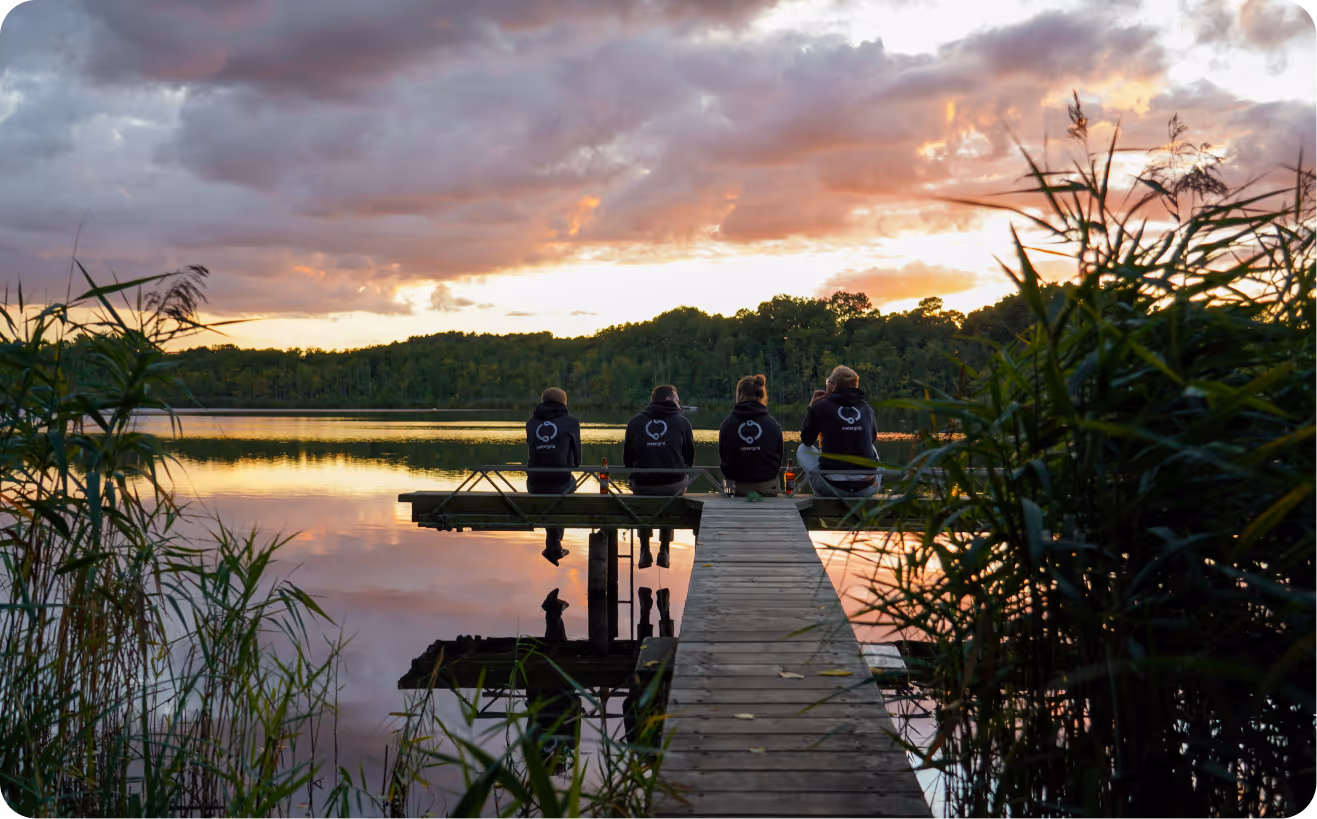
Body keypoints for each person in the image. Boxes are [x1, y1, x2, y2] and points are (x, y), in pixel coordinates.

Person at [623, 384, 695, 569]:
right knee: (670, 496)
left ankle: (644, 549)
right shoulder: (682, 422)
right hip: (673, 485)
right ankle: (664, 549)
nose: (680, 402)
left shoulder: (635, 422)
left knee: (643, 498)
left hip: (642, 485)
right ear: (670, 399)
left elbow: (627, 459)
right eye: (677, 398)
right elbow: (690, 458)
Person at [797, 365, 880, 497]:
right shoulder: (867, 409)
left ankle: (820, 493)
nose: (826, 385)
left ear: (834, 385)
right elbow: (873, 438)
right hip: (867, 489)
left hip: (833, 489)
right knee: (872, 449)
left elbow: (807, 440)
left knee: (802, 449)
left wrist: (812, 407)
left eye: (827, 382)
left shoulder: (820, 407)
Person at [525, 387, 582, 566]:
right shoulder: (571, 422)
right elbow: (577, 460)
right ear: (564, 403)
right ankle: (554, 544)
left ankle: (553, 544)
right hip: (560, 484)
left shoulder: (531, 423)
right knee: (566, 488)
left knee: (553, 491)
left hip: (534, 484)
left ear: (542, 402)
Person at [717, 374, 784, 497]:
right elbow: (779, 458)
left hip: (734, 489)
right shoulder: (773, 424)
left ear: (741, 394)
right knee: (775, 483)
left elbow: (723, 457)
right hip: (767, 488)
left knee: (725, 483)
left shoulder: (727, 424)